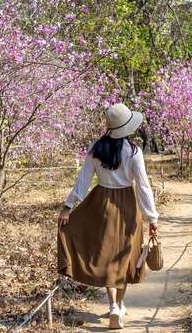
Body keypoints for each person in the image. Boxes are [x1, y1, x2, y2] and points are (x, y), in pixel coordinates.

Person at [57, 103, 159, 330]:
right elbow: (143, 187)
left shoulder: (96, 148)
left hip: (101, 204)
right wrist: (152, 218)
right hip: (127, 206)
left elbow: (82, 181)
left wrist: (68, 207)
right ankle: (118, 306)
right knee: (124, 256)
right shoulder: (133, 151)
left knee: (106, 254)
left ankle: (113, 304)